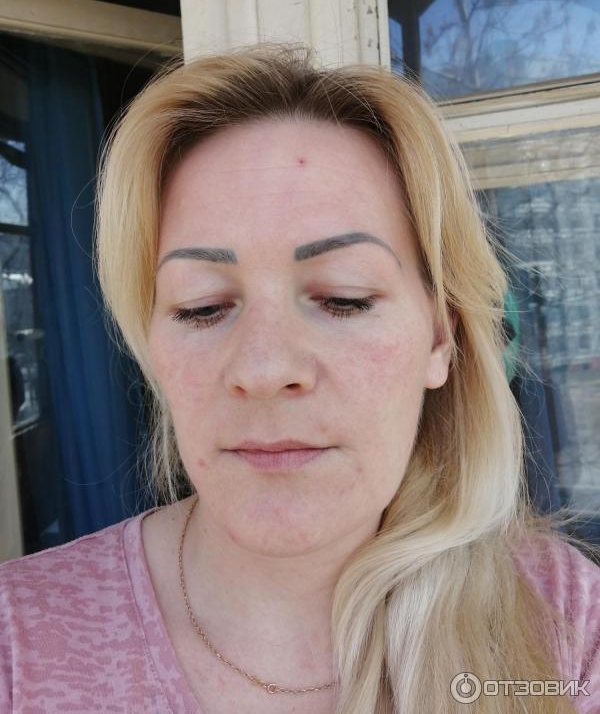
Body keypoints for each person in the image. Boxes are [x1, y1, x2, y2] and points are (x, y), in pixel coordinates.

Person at [1, 43, 599, 714]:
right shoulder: (17, 643)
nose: (264, 369)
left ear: (440, 338)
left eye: (344, 298)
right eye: (201, 307)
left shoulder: (568, 624)